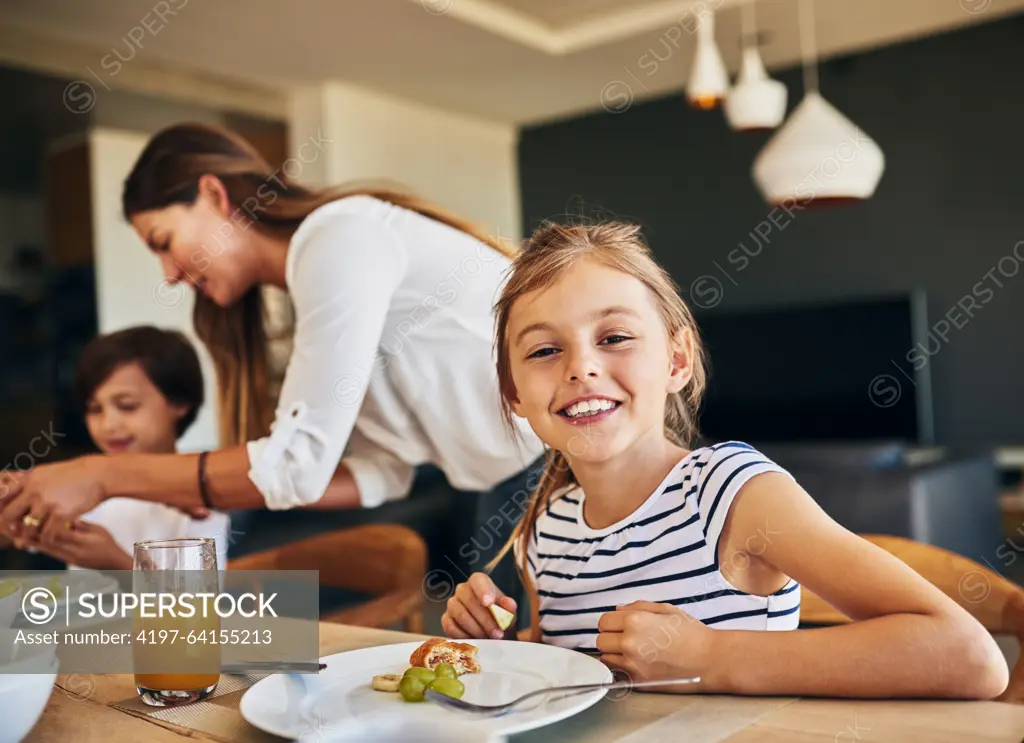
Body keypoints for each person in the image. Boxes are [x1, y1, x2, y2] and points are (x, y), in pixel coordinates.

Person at [440, 221, 1008, 699]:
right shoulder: (547, 526)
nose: (580, 367)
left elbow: (968, 656)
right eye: (544, 350)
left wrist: (711, 656)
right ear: (514, 392)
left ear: (677, 359)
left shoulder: (731, 493)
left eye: (614, 337)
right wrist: (500, 647)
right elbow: (571, 684)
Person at [0, 123, 544, 595]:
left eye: (163, 241)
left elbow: (294, 468)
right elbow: (383, 472)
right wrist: (190, 486)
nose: (167, 273)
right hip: (502, 489)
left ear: (213, 195)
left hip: (551, 473)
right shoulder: (312, 282)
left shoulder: (340, 239)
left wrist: (102, 475)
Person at [13, 326, 230, 570]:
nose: (108, 425)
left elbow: (195, 606)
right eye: (95, 409)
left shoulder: (198, 498)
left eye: (127, 406)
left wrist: (119, 565)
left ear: (180, 402)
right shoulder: (77, 488)